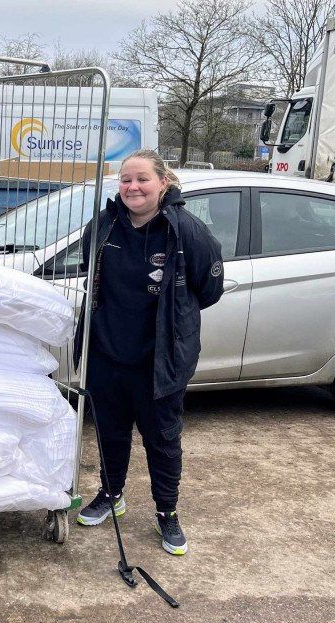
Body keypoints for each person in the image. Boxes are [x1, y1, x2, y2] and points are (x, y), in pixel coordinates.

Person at [73, 148, 224, 556]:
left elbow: (209, 289)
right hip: (107, 355)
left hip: (160, 362)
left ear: (164, 183)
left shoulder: (186, 231)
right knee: (110, 432)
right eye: (126, 180)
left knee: (162, 440)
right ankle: (111, 493)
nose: (132, 187)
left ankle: (167, 514)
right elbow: (92, 272)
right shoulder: (104, 226)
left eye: (142, 179)